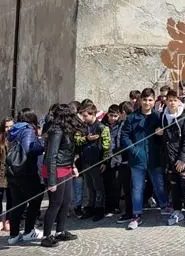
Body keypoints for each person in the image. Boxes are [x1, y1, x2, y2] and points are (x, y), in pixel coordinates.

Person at [120, 88, 169, 230]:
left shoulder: (158, 116)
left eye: (150, 100)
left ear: (154, 101)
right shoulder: (132, 117)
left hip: (154, 158)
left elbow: (166, 136)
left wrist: (161, 134)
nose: (147, 102)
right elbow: (125, 136)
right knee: (137, 188)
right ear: (140, 100)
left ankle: (164, 205)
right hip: (137, 160)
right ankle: (136, 215)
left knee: (159, 184)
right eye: (145, 99)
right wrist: (133, 150)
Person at [40, 104, 82, 247]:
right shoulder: (56, 130)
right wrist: (52, 182)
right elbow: (51, 156)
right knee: (55, 204)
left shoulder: (67, 129)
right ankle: (46, 236)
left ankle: (60, 231)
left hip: (66, 168)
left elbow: (69, 152)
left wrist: (73, 167)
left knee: (66, 201)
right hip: (55, 170)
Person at [157, 90, 185, 228]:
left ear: (178, 101)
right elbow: (162, 136)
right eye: (169, 100)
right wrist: (158, 132)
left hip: (183, 159)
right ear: (166, 102)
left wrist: (182, 159)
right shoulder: (163, 117)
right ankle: (177, 210)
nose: (172, 103)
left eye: (174, 100)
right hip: (169, 159)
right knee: (174, 186)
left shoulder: (184, 116)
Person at [7, 109, 45, 245]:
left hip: (13, 173)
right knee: (34, 201)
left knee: (17, 204)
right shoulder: (28, 129)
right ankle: (29, 231)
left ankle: (13, 235)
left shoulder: (14, 130)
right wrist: (42, 145)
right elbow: (29, 148)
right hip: (27, 172)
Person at [75, 102, 111, 222]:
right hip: (85, 160)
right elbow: (76, 140)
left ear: (92, 114)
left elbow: (107, 147)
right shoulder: (82, 127)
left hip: (97, 161)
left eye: (85, 116)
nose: (83, 118)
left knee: (98, 187)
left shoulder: (102, 128)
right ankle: (89, 208)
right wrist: (86, 138)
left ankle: (99, 209)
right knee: (89, 187)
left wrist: (104, 162)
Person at [102, 104, 123, 216]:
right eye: (111, 115)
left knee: (116, 184)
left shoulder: (120, 125)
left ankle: (115, 206)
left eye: (115, 116)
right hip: (105, 158)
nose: (113, 118)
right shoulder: (103, 124)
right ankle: (108, 206)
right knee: (106, 183)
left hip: (117, 157)